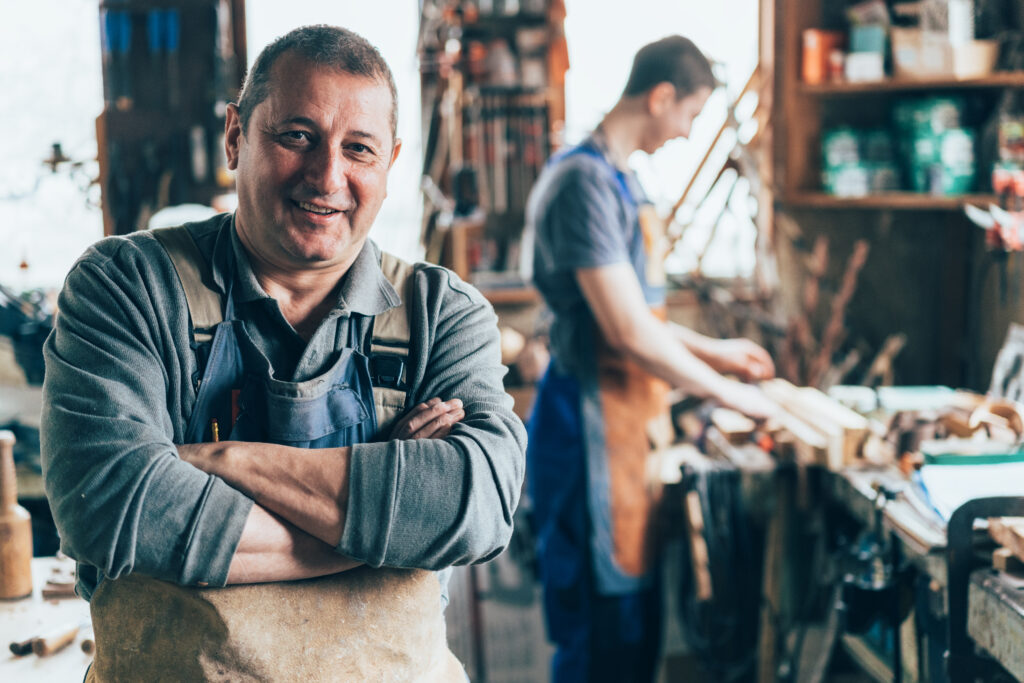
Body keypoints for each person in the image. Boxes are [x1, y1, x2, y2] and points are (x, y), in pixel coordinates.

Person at [41, 25, 525, 681]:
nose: (327, 176)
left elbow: (479, 506)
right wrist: (390, 522)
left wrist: (223, 460)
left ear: (390, 163)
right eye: (297, 136)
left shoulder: (443, 314)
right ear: (235, 136)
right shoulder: (128, 286)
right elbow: (110, 504)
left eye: (359, 149)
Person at [523, 35, 777, 682]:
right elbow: (627, 331)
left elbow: (641, 314)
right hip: (587, 426)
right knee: (600, 640)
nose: (688, 132)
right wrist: (728, 392)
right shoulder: (582, 182)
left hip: (628, 424)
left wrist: (719, 353)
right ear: (661, 97)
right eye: (690, 114)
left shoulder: (621, 178)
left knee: (634, 634)